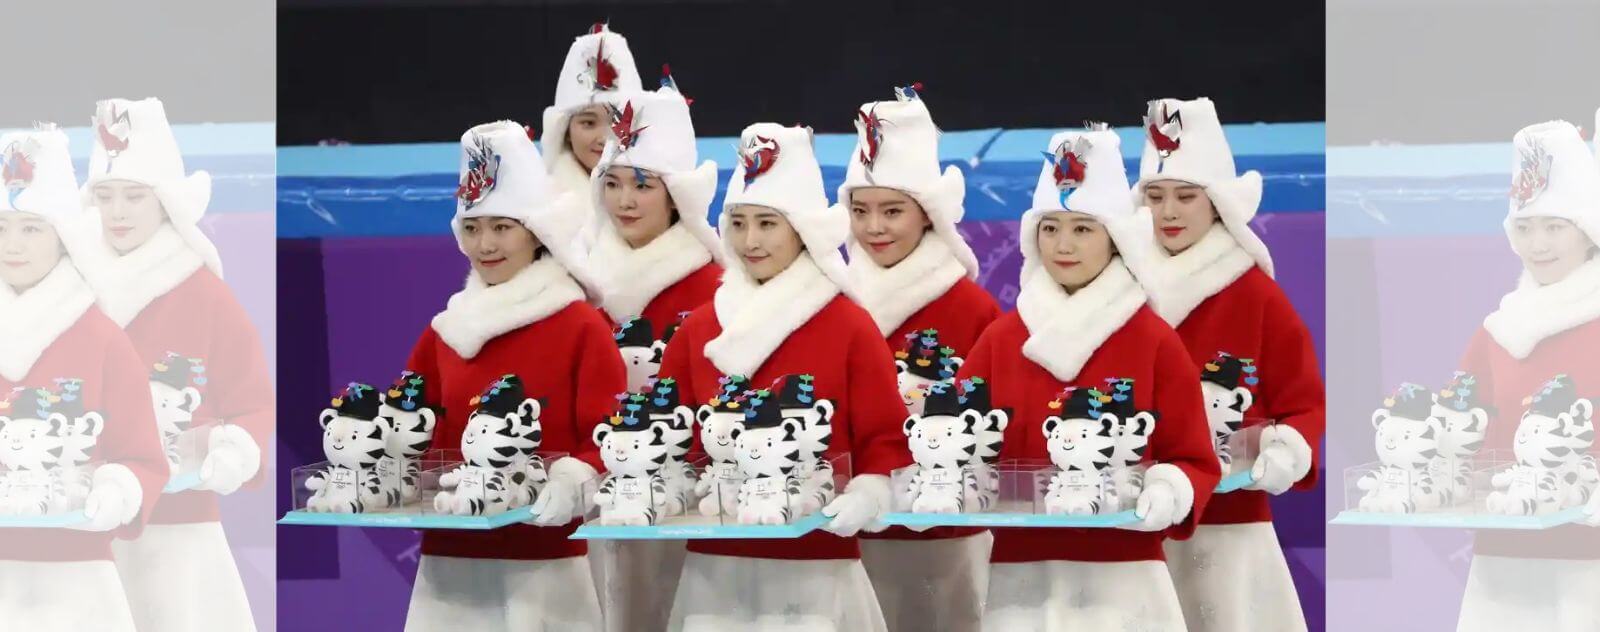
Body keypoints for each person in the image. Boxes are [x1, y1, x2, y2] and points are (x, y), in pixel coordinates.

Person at [955, 127, 1219, 632]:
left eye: (1083, 229)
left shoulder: (1154, 339)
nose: (1064, 245)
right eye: (1050, 228)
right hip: (1020, 577)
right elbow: (959, 440)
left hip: (1126, 575)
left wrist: (1169, 490)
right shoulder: (1000, 339)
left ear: (1116, 237)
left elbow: (1193, 458)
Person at [657, 123, 913, 631]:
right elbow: (669, 432)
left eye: (768, 223)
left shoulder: (848, 325)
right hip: (714, 566)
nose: (750, 241)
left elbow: (887, 437)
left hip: (817, 566)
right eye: (739, 222)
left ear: (803, 229)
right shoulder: (701, 327)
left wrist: (869, 492)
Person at [400, 120, 627, 632]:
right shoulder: (446, 331)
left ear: (537, 232)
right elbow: (412, 429)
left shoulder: (580, 326)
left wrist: (575, 482)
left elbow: (610, 441)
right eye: (474, 228)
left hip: (544, 563)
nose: (485, 245)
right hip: (451, 562)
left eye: (502, 227)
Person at [71, 97, 271, 632]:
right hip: (80, 530)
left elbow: (249, 399)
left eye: (134, 196)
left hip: (179, 530)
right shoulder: (65, 290)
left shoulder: (201, 290)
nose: (117, 212)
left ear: (165, 201)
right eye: (105, 195)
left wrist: (235, 448)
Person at [1130, 97, 1323, 632]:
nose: (1168, 212)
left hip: (1229, 526)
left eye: (1186, 197)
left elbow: (1302, 402)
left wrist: (1287, 448)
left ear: (1217, 203)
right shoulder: (1117, 290)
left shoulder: (1255, 295)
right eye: (1155, 195)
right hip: (1132, 526)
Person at [836, 85, 999, 632]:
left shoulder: (970, 307)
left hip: (945, 530)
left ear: (927, 215)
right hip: (848, 521)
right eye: (860, 211)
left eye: (892, 212)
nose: (874, 228)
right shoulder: (833, 302)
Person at [0, 125, 167, 631]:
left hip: (81, 578)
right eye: (2, 225)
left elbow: (142, 458)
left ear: (65, 235)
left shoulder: (102, 338)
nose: (13, 244)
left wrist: (114, 493)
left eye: (32, 228)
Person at [578, 85, 723, 631]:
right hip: (601, 496)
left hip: (691, 501)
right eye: (612, 184)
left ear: (678, 194)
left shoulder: (718, 287)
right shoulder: (579, 285)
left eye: (643, 185)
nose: (625, 201)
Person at [1451, 120, 1600, 632]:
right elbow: (1466, 426)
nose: (1538, 244)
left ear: (1589, 229)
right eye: (1525, 227)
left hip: (1592, 561)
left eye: (1555, 226)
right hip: (1507, 558)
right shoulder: (1500, 329)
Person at [541, 22, 643, 243]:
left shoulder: (665, 198)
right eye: (588, 123)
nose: (605, 138)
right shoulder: (539, 205)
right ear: (566, 130)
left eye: (617, 121)